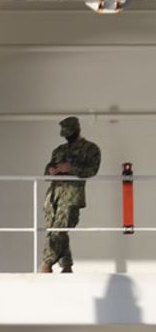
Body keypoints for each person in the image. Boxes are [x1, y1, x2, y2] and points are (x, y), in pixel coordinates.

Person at [41, 116, 101, 273]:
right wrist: (51, 171)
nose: (67, 136)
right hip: (53, 195)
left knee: (58, 230)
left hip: (71, 196)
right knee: (53, 230)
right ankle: (66, 266)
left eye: (70, 132)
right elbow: (46, 172)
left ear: (78, 130)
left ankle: (46, 264)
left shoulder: (90, 149)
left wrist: (71, 168)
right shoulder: (59, 150)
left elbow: (92, 170)